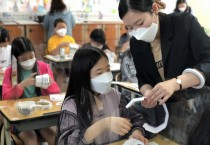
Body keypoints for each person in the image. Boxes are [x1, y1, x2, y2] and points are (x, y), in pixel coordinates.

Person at [118, 0, 210, 143]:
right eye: (130, 27)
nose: (137, 31)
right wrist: (148, 92)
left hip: (202, 108)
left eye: (140, 23)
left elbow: (208, 60)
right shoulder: (136, 42)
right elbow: (143, 78)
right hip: (172, 113)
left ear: (154, 9)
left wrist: (176, 83)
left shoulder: (183, 23)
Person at [56, 46, 148, 145]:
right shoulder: (72, 105)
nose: (107, 76)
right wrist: (104, 124)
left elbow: (136, 118)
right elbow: (68, 142)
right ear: (83, 75)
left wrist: (136, 132)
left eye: (108, 70)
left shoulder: (114, 95)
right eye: (99, 73)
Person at [2, 37, 60, 145]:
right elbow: (6, 98)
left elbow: (55, 94)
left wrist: (50, 83)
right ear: (15, 59)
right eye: (23, 59)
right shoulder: (11, 72)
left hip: (40, 116)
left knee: (54, 137)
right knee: (31, 139)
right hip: (20, 119)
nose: (29, 61)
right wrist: (21, 85)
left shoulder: (43, 67)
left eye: (31, 56)